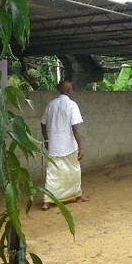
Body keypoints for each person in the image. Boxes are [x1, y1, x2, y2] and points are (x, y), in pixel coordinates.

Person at [40, 80, 89, 211]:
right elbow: (75, 128)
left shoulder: (51, 104)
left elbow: (43, 123)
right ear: (68, 90)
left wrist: (46, 140)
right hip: (69, 146)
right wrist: (81, 147)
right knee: (73, 171)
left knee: (53, 173)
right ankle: (77, 196)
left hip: (54, 146)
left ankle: (47, 201)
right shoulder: (72, 105)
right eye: (71, 88)